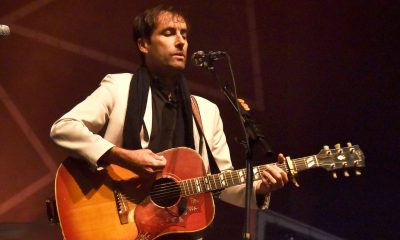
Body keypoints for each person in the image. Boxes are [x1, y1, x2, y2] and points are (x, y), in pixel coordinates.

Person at [50, 4, 288, 239]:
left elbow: (221, 181)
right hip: (118, 221)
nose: (181, 41)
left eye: (184, 34)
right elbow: (64, 128)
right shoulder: (119, 88)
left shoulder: (206, 111)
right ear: (144, 44)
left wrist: (261, 188)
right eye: (168, 33)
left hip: (174, 230)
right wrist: (121, 156)